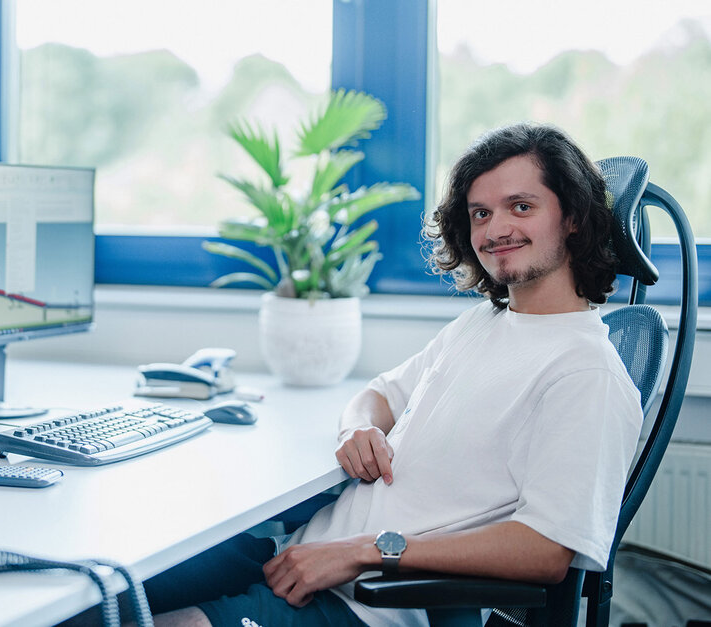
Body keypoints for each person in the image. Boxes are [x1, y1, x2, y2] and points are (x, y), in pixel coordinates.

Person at [142, 123, 644, 627]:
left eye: (521, 207)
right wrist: (357, 427)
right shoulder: (482, 324)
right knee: (107, 583)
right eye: (480, 213)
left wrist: (366, 551)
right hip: (298, 556)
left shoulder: (586, 374)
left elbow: (546, 550)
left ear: (574, 218)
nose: (495, 231)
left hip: (371, 603)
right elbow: (380, 394)